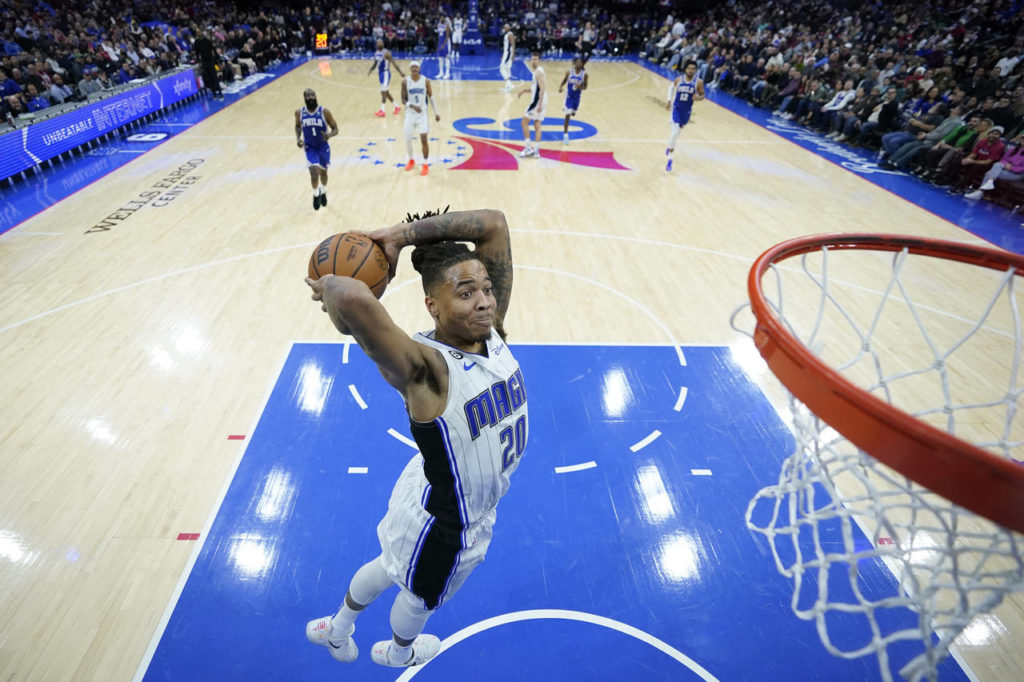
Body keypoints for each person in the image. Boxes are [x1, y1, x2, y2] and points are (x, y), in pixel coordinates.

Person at [304, 207, 526, 669]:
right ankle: (399, 652)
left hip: (427, 486)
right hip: (453, 522)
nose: (485, 302)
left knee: (389, 563)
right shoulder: (428, 372)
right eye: (465, 293)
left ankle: (338, 627)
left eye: (486, 289)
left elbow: (493, 223)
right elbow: (350, 295)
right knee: (420, 595)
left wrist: (397, 237)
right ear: (432, 306)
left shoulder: (490, 333)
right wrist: (332, 286)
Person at [295, 88, 339, 210]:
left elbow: (336, 129)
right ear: (304, 98)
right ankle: (315, 194)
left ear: (315, 96)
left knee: (323, 173)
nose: (310, 97)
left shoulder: (325, 112)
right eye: (308, 95)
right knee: (314, 174)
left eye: (312, 95)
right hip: (310, 148)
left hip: (323, 147)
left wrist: (329, 135)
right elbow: (298, 127)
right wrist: (298, 138)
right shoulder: (299, 113)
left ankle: (323, 191)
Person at [665, 59, 705, 172]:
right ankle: (670, 160)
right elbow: (671, 87)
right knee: (674, 133)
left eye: (693, 69)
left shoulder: (698, 82)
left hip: (686, 112)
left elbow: (702, 95)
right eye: (689, 68)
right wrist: (669, 100)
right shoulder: (679, 79)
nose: (691, 70)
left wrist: (698, 98)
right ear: (685, 69)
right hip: (676, 109)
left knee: (676, 135)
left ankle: (669, 147)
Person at [401, 61, 440, 176]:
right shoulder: (405, 82)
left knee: (424, 138)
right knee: (408, 139)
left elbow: (431, 97)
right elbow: (403, 99)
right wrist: (412, 106)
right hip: (410, 114)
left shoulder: (426, 81)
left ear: (419, 69)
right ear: (410, 69)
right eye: (412, 67)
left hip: (422, 115)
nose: (414, 68)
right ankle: (411, 160)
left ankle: (425, 164)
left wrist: (436, 113)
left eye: (416, 67)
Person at [965, 130, 1024, 200]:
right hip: (1004, 168)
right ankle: (985, 187)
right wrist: (1006, 165)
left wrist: (1011, 168)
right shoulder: (1013, 149)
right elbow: (1003, 159)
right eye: (1022, 138)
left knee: (989, 173)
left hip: (1016, 174)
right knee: (997, 165)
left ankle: (981, 191)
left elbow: (1022, 168)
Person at [517, 52, 546, 159]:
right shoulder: (537, 71)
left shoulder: (539, 71)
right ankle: (536, 152)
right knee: (537, 125)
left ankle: (528, 148)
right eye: (532, 59)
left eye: (536, 59)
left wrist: (539, 104)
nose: (533, 61)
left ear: (539, 60)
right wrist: (524, 90)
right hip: (541, 100)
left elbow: (542, 88)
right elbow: (535, 89)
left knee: (524, 123)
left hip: (537, 101)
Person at [368, 39, 404, 117]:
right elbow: (375, 63)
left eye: (381, 42)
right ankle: (397, 107)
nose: (379, 44)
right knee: (385, 92)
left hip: (386, 73)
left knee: (383, 91)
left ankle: (382, 110)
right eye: (378, 43)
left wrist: (401, 72)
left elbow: (394, 63)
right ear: (376, 44)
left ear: (383, 44)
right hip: (380, 74)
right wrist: (370, 70)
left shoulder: (387, 53)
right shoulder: (376, 53)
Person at [558, 57, 587, 145]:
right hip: (569, 97)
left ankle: (572, 110)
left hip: (577, 97)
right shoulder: (569, 72)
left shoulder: (584, 75)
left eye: (580, 63)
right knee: (567, 116)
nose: (579, 64)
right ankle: (565, 137)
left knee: (573, 112)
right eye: (577, 62)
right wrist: (560, 86)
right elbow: (564, 80)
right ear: (575, 63)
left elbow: (585, 87)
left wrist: (580, 87)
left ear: (582, 64)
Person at [193, 29, 223, 100]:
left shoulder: (206, 40)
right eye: (197, 32)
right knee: (209, 78)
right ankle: (214, 93)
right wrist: (198, 61)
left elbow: (213, 48)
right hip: (204, 62)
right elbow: (197, 53)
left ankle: (220, 92)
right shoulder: (196, 42)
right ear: (196, 34)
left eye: (200, 32)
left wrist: (217, 57)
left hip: (210, 60)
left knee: (214, 77)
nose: (199, 33)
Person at [499, 24, 515, 92]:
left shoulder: (510, 34)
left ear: (508, 28)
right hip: (506, 53)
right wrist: (503, 54)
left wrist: (513, 55)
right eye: (504, 27)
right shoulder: (506, 34)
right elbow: (506, 46)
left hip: (508, 54)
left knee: (502, 68)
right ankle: (508, 86)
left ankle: (509, 84)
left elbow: (513, 44)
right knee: (507, 69)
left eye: (506, 27)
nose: (504, 29)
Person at [436, 14, 453, 80]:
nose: (441, 19)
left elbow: (447, 36)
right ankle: (441, 72)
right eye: (440, 18)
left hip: (446, 42)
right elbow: (439, 35)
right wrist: (439, 44)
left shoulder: (447, 25)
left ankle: (447, 74)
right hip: (440, 42)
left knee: (446, 58)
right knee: (440, 58)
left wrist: (443, 45)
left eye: (442, 18)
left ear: (444, 18)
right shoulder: (438, 25)